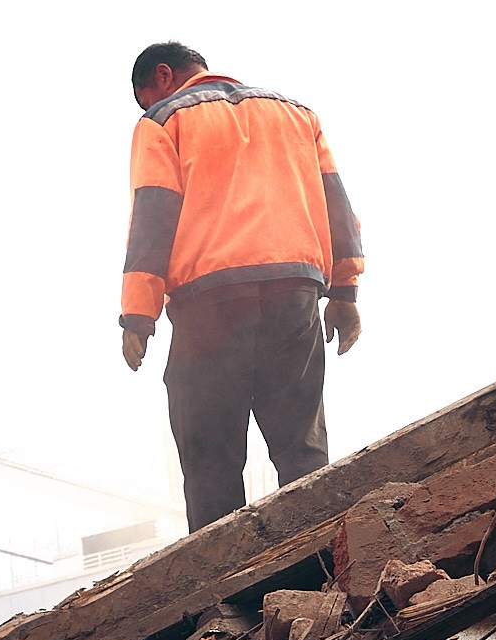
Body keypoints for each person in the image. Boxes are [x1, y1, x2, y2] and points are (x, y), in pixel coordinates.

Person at [119, 43, 364, 531]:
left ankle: (223, 596)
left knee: (209, 458)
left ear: (163, 76)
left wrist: (137, 317)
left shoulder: (163, 122)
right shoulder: (295, 115)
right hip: (294, 296)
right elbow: (336, 202)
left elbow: (153, 217)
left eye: (145, 98)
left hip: (210, 305)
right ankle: (325, 569)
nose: (149, 108)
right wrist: (345, 293)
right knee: (302, 448)